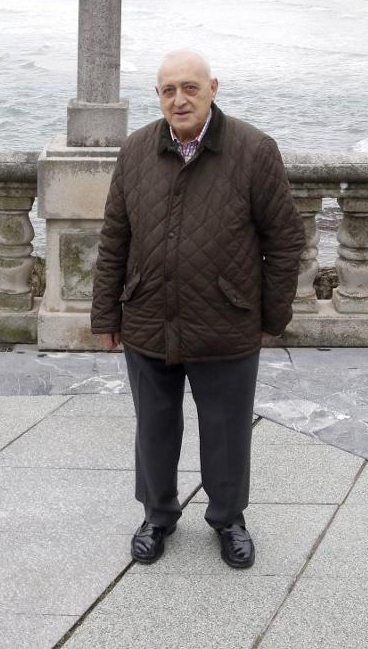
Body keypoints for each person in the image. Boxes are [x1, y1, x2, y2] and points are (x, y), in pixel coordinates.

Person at [92, 50, 303, 569]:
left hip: (226, 320)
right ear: (158, 97)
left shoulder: (254, 150)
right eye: (168, 90)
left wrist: (270, 317)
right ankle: (156, 515)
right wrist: (105, 316)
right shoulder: (136, 150)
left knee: (227, 430)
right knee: (154, 427)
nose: (179, 99)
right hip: (147, 314)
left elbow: (285, 239)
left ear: (213, 88)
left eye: (190, 87)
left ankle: (228, 518)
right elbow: (114, 238)